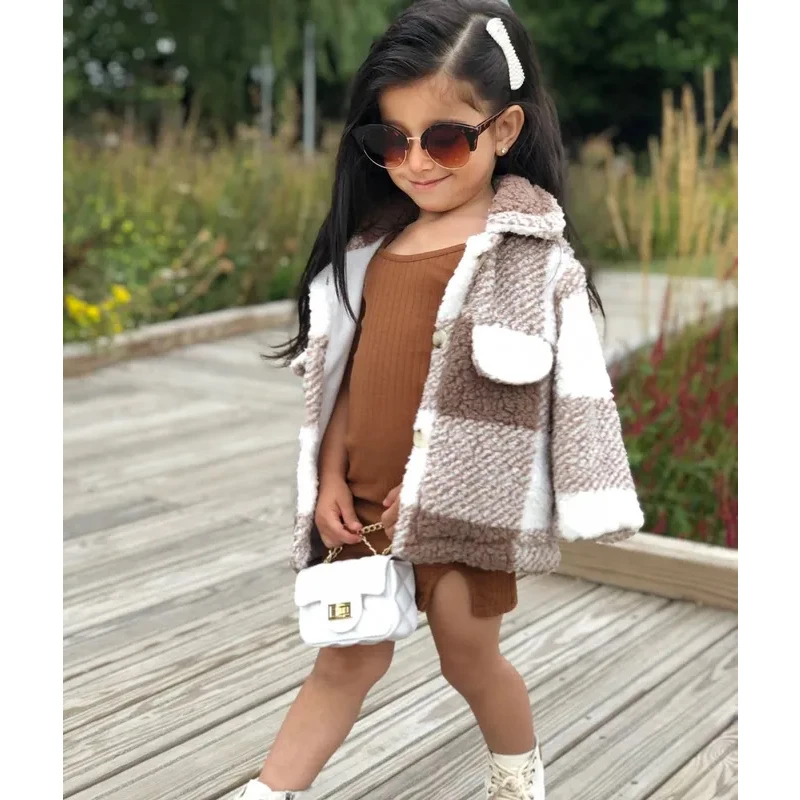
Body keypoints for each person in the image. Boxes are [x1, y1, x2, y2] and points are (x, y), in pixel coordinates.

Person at [247, 1, 643, 798]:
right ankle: (270, 790)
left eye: (445, 139)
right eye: (390, 141)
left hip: (464, 515)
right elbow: (345, 379)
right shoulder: (372, 250)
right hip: (363, 507)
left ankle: (517, 776)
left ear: (504, 130)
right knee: (344, 659)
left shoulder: (530, 264)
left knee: (469, 656)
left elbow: (575, 400)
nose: (416, 163)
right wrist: (330, 478)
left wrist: (583, 497)